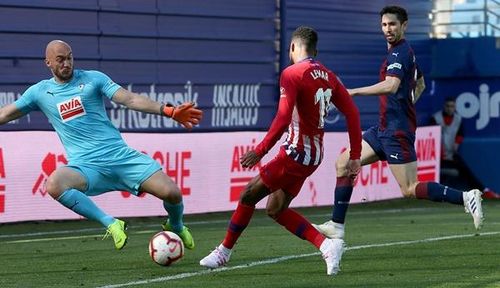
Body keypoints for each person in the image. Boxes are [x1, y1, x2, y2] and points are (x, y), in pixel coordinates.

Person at [0, 40, 203, 250]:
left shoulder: (93, 79)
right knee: (54, 184)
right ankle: (112, 223)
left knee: (172, 193)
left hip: (121, 157)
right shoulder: (39, 92)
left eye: (69, 57)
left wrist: (168, 111)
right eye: (60, 59)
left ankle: (176, 226)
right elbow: (5, 113)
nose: (66, 63)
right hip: (87, 166)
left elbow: (129, 99)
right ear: (48, 62)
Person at [314, 5, 484, 249]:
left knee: (409, 189)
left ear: (404, 25)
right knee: (343, 163)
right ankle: (337, 225)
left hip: (397, 132)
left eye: (392, 24)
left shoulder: (400, 53)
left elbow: (391, 85)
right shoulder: (403, 52)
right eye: (384, 24)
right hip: (383, 128)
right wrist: (408, 101)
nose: (387, 29)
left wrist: (352, 92)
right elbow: (421, 83)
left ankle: (467, 197)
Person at [199, 26, 363, 276]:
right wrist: (354, 156)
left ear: (293, 48)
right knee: (275, 209)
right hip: (313, 156)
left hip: (295, 153)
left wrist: (261, 150)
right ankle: (327, 245)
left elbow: (283, 116)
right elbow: (352, 113)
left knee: (247, 196)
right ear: (315, 51)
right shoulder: (329, 76)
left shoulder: (292, 73)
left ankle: (224, 252)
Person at [430, 97, 484, 191]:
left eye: (452, 106)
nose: (449, 108)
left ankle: (481, 189)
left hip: (451, 153)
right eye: (447, 106)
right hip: (437, 156)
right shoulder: (435, 118)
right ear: (444, 106)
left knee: (465, 169)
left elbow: (460, 134)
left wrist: (456, 144)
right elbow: (431, 137)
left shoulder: (458, 119)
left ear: (455, 107)